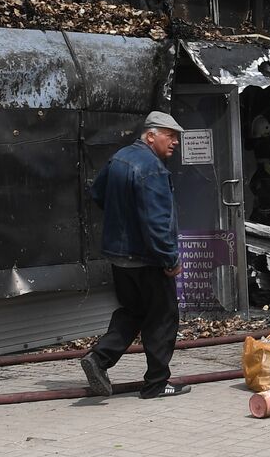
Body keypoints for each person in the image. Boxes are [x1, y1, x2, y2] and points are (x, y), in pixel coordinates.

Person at [79, 111, 190, 400]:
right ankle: (156, 384)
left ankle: (99, 359)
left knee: (133, 312)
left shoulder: (120, 158)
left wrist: (123, 218)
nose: (175, 141)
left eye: (176, 136)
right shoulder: (152, 169)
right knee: (163, 317)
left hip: (119, 258)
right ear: (150, 135)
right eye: (170, 135)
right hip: (148, 259)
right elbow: (157, 222)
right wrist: (170, 259)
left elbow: (98, 193)